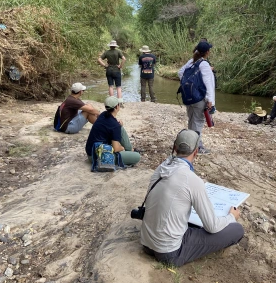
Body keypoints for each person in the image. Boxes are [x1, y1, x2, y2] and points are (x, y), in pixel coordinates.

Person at [140, 129, 244, 267]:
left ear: (175, 148)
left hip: (146, 243)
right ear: (196, 152)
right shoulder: (192, 180)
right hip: (169, 252)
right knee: (237, 230)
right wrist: (231, 216)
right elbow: (212, 226)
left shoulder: (161, 168)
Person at [178, 41, 215, 154]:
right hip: (199, 98)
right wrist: (210, 101)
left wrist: (188, 87)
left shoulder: (191, 61)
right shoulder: (204, 64)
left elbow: (180, 73)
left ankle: (189, 144)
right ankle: (197, 147)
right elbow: (208, 84)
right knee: (198, 122)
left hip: (189, 97)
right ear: (207, 52)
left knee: (192, 121)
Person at [85, 96, 141, 166]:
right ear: (117, 107)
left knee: (120, 127)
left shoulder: (103, 114)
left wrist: (119, 125)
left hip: (90, 152)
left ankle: (129, 149)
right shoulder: (115, 126)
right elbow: (116, 149)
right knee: (137, 157)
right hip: (99, 157)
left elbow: (109, 125)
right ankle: (129, 150)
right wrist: (122, 148)